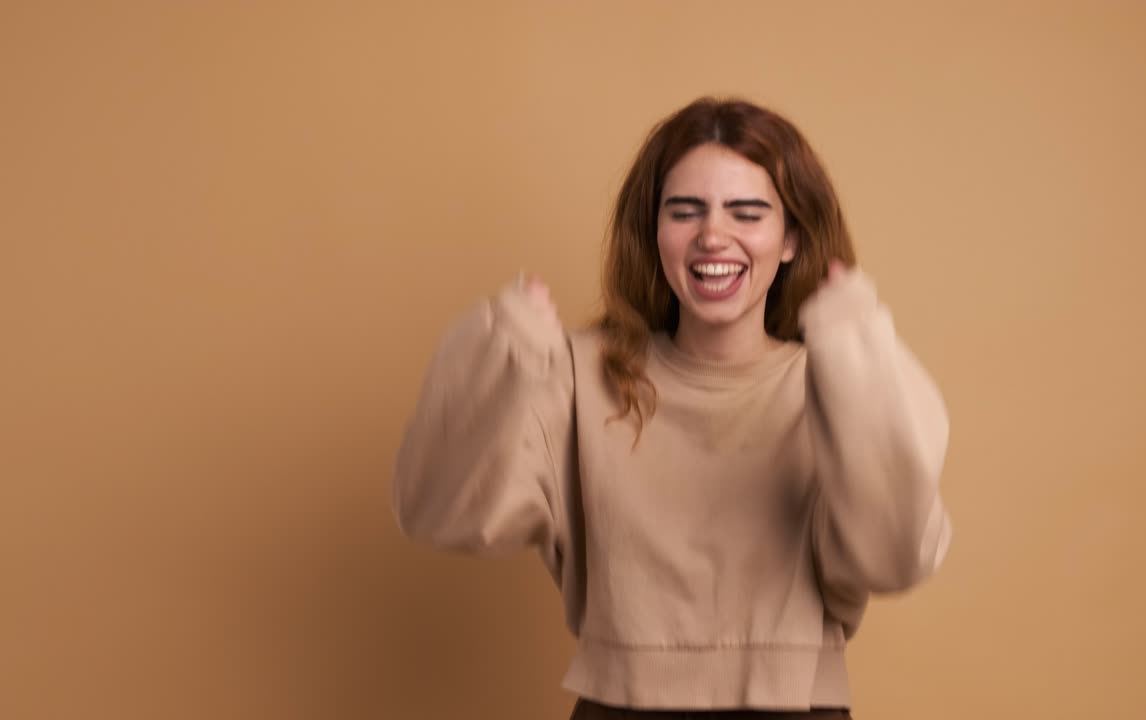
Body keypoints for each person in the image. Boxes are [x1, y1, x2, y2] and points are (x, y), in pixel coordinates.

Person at [392, 97, 952, 719]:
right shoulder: (578, 375)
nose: (713, 235)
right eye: (685, 211)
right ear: (654, 232)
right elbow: (438, 511)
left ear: (791, 237)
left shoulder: (834, 382)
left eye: (748, 212)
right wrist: (497, 357)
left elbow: (898, 553)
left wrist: (857, 354)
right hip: (618, 707)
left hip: (798, 709)